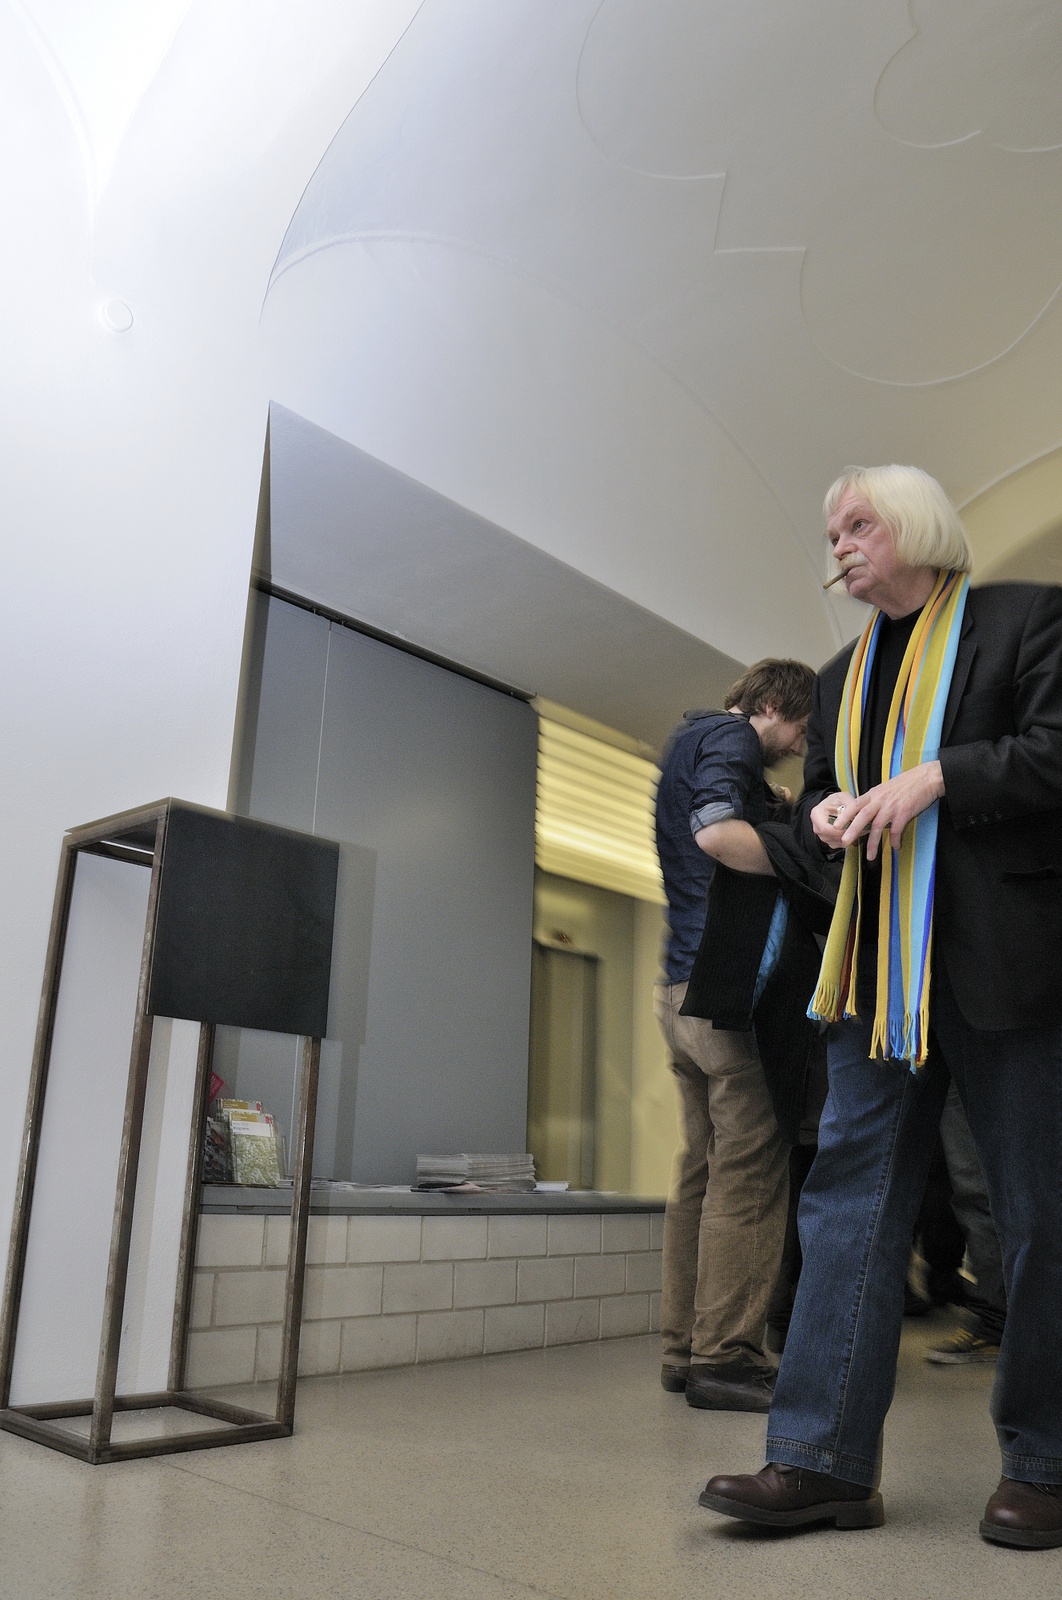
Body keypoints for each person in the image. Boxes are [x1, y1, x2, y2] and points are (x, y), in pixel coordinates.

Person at [699, 464, 1062, 1548]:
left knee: (1040, 1213)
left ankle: (1045, 1465)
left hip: (1010, 966)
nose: (839, 545)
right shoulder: (838, 676)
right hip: (876, 979)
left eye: (858, 524)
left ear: (914, 524)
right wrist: (820, 819)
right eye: (832, 532)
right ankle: (819, 1463)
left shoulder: (1026, 618)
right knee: (845, 1208)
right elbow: (822, 802)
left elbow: (1055, 753)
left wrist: (938, 775)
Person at [654, 659, 814, 1412]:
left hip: (676, 993)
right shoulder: (734, 737)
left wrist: (775, 810)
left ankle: (682, 1351)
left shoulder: (686, 740)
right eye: (802, 728)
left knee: (701, 1169)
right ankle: (727, 1358)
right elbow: (718, 833)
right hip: (728, 990)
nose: (800, 745)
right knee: (750, 1170)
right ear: (773, 704)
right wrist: (800, 856)